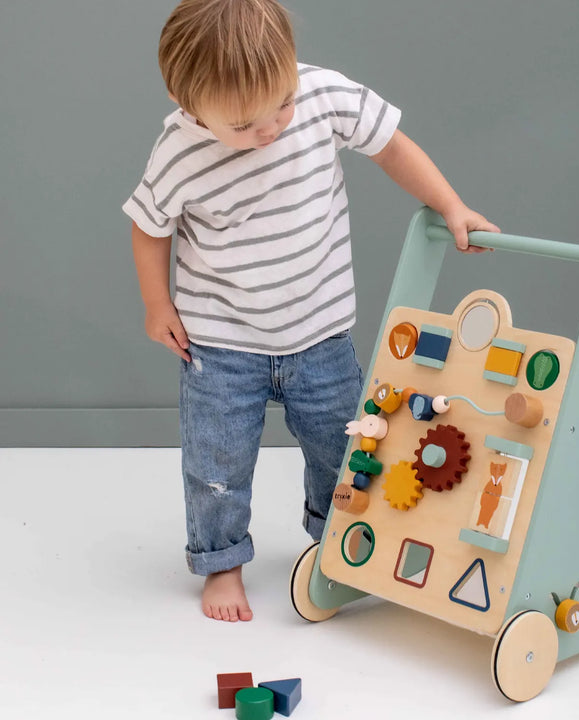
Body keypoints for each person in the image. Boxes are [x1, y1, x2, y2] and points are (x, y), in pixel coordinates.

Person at [122, 0, 500, 623]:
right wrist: (156, 302)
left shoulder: (323, 95)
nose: (270, 129)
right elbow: (148, 227)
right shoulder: (179, 149)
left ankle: (341, 546)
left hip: (320, 334)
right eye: (244, 125)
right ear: (188, 104)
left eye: (282, 105)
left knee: (346, 449)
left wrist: (452, 206)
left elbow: (393, 149)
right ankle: (222, 565)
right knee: (215, 465)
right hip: (220, 345)